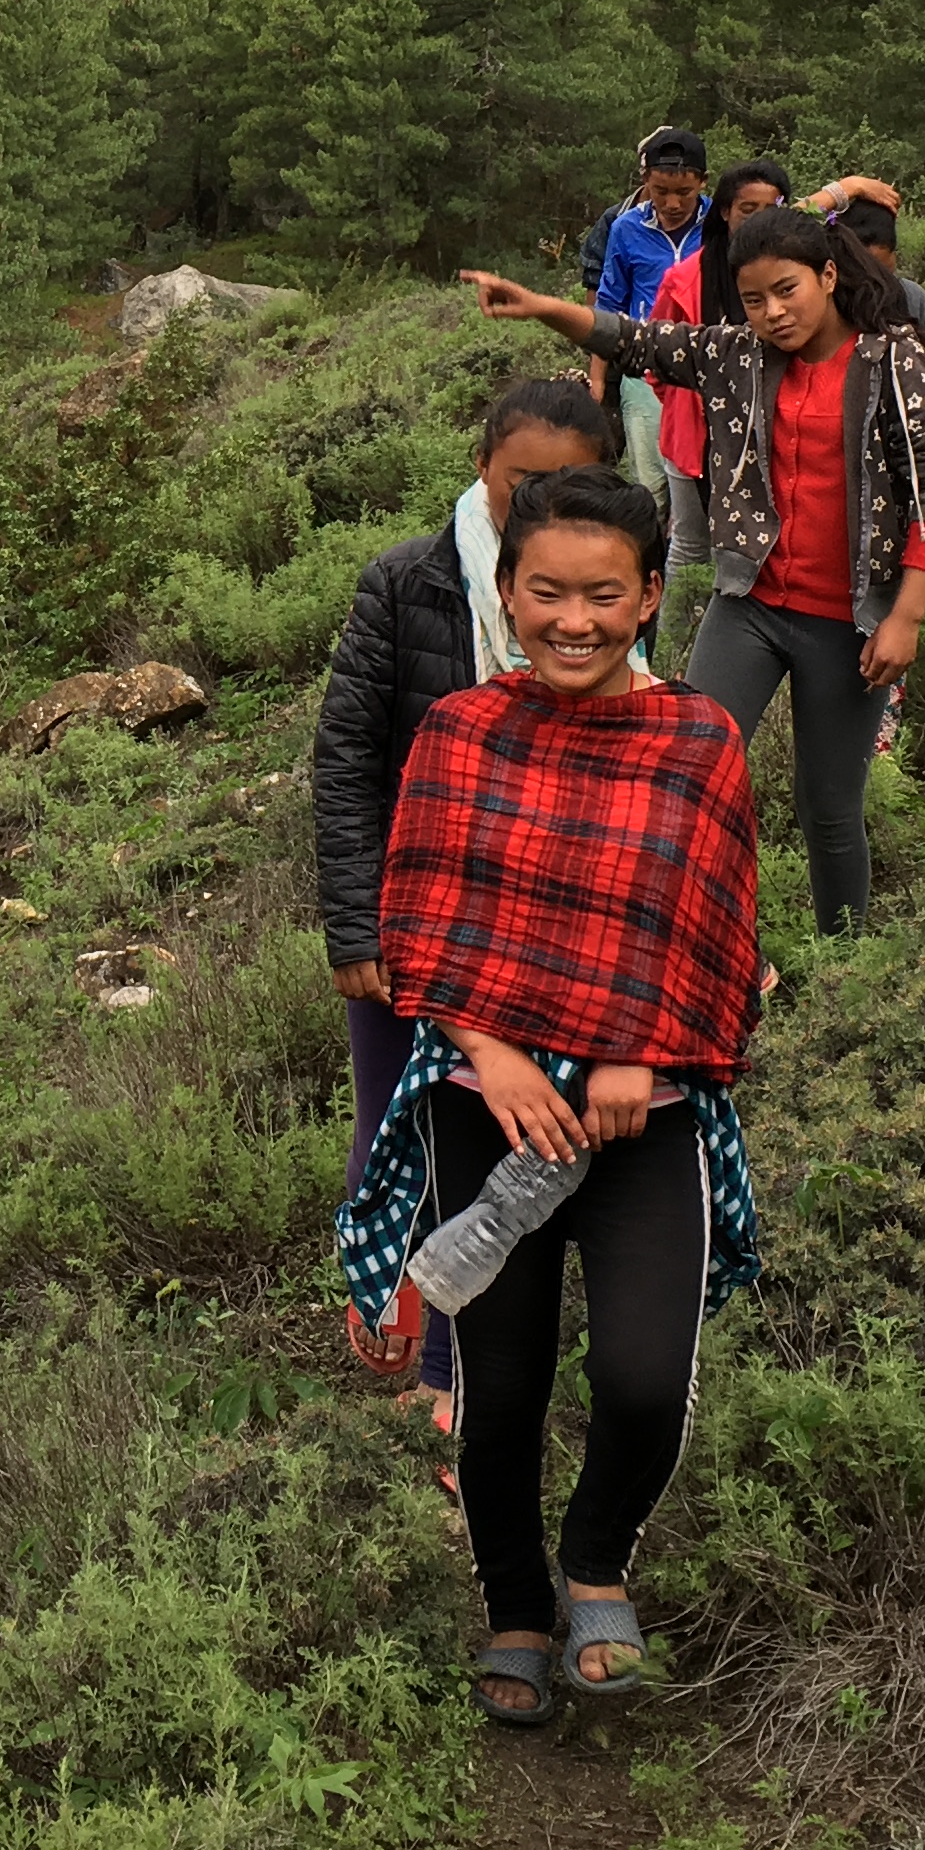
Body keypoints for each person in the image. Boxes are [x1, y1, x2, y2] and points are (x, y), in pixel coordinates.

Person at [334, 466, 763, 1726]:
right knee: (501, 1388)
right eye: (546, 594)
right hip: (490, 1105)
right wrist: (495, 1049)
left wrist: (646, 1051)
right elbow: (421, 913)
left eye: (603, 596)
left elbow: (717, 926)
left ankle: (597, 1560)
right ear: (508, 594)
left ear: (650, 596)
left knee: (642, 1378)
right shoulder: (462, 733)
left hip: (646, 1120)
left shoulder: (699, 741)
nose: (573, 621)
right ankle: (517, 1605)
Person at [463, 208, 925, 937]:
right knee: (684, 772)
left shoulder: (890, 361)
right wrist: (543, 307)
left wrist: (905, 616)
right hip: (749, 605)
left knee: (828, 807)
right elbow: (636, 340)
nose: (773, 313)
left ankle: (845, 961)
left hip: (845, 620)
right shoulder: (737, 356)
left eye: (787, 290)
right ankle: (689, 938)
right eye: (754, 300)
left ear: (828, 276)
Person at [314, 377, 624, 1390]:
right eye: (521, 482)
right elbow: (347, 762)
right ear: (482, 463)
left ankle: (454, 1373)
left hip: (540, 922)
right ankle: (384, 1290)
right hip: (415, 917)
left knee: (493, 1138)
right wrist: (356, 928)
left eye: (570, 484)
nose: (541, 504)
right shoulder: (407, 584)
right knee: (391, 1115)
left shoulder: (607, 589)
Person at [652, 159, 793, 670]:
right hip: (694, 439)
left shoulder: (794, 274)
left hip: (771, 436)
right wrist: (692, 407)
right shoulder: (684, 278)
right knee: (690, 545)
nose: (758, 219)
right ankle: (668, 654)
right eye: (747, 209)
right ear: (725, 213)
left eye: (770, 209)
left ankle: (741, 651)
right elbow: (657, 358)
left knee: (749, 547)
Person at [590, 127, 707, 498]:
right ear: (645, 182)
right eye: (661, 191)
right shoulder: (626, 229)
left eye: (684, 192)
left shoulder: (720, 224)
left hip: (707, 367)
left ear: (703, 182)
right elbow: (609, 303)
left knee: (702, 478)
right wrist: (597, 380)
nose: (672, 203)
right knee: (651, 484)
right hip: (644, 370)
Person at [808, 173, 925, 326]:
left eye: (882, 273)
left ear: (894, 256)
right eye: (860, 272)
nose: (874, 285)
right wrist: (849, 187)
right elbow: (784, 224)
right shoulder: (824, 301)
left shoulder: (914, 301)